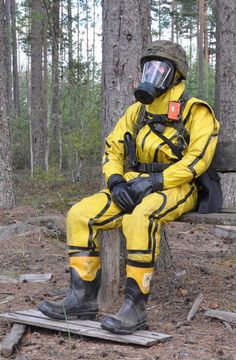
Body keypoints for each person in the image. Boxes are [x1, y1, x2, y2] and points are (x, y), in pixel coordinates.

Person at [38, 40, 220, 334]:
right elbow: (113, 150)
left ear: (176, 75)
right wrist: (116, 180)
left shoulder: (196, 111)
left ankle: (135, 308)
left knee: (141, 218)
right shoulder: (136, 112)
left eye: (161, 68)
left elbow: (197, 160)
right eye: (149, 67)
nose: (153, 73)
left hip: (178, 186)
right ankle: (81, 300)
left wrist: (157, 181)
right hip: (135, 184)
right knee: (79, 215)